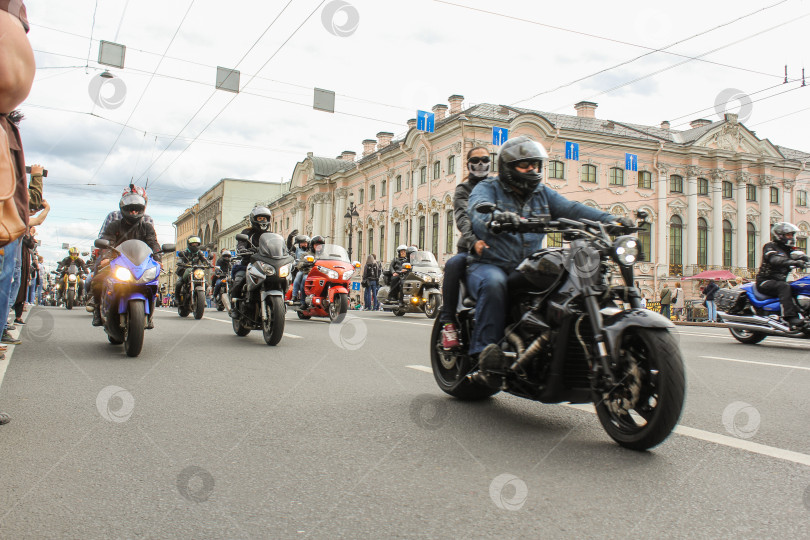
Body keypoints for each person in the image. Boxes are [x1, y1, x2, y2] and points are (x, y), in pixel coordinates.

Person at [466, 136, 630, 370]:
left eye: (536, 164)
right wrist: (496, 218)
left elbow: (571, 209)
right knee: (494, 284)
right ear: (508, 168)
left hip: (527, 265)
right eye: (526, 165)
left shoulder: (542, 193)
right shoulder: (488, 188)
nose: (532, 169)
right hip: (490, 264)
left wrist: (611, 220)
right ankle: (484, 353)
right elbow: (477, 210)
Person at [439, 145, 491, 349]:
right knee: (453, 265)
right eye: (476, 160)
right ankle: (448, 322)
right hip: (470, 248)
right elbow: (462, 218)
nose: (480, 164)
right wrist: (474, 241)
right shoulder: (463, 189)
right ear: (468, 164)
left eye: (485, 160)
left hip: (498, 247)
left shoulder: (497, 186)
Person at [91, 191, 161, 328]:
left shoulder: (146, 227)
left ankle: (149, 313)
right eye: (130, 209)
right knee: (98, 280)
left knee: (154, 282)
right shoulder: (114, 226)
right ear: (124, 210)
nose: (134, 212)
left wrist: (158, 257)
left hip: (140, 263)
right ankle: (97, 310)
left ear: (142, 210)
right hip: (117, 262)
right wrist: (106, 257)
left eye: (137, 210)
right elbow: (107, 242)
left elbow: (153, 243)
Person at [756, 222, 809, 329]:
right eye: (788, 235)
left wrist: (804, 260)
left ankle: (804, 315)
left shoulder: (789, 250)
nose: (791, 237)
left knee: (799, 285)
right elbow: (775, 259)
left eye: (792, 235)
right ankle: (789, 317)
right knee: (784, 286)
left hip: (780, 281)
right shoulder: (770, 247)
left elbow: (804, 257)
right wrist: (793, 262)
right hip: (765, 281)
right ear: (780, 235)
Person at [230, 206, 272, 317]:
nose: (263, 221)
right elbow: (241, 243)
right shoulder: (247, 232)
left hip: (267, 265)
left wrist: (287, 251)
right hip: (249, 263)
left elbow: (278, 247)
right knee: (239, 280)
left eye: (265, 218)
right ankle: (234, 307)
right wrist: (243, 249)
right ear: (254, 219)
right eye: (260, 219)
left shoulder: (271, 235)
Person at [174, 236, 208, 305]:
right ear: (189, 244)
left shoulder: (199, 253)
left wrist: (208, 264)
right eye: (193, 244)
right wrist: (180, 262)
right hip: (185, 270)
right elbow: (180, 259)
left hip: (196, 270)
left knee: (206, 284)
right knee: (179, 283)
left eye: (196, 244)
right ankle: (177, 298)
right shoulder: (185, 252)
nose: (195, 245)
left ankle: (203, 299)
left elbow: (204, 260)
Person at [289, 234, 311, 306]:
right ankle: (294, 295)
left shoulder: (311, 250)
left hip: (310, 269)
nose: (303, 244)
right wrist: (290, 237)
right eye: (301, 243)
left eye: (305, 243)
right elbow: (289, 247)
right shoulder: (297, 250)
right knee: (298, 277)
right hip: (301, 269)